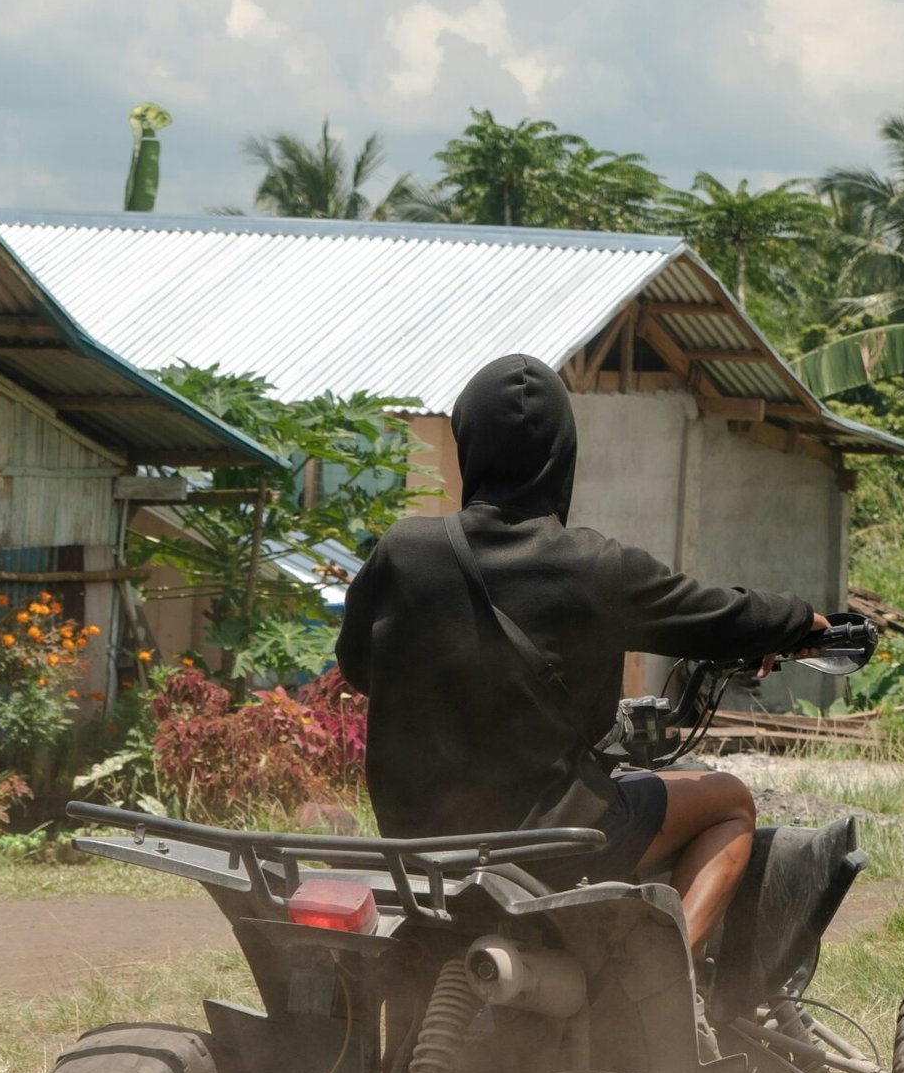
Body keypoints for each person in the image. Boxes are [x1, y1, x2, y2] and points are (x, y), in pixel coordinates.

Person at [336, 352, 828, 958]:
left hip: (415, 840)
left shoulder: (403, 551)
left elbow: (361, 670)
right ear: (562, 455)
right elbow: (718, 615)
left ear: (470, 444)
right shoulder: (597, 567)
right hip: (553, 841)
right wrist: (801, 621)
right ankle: (676, 980)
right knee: (729, 799)